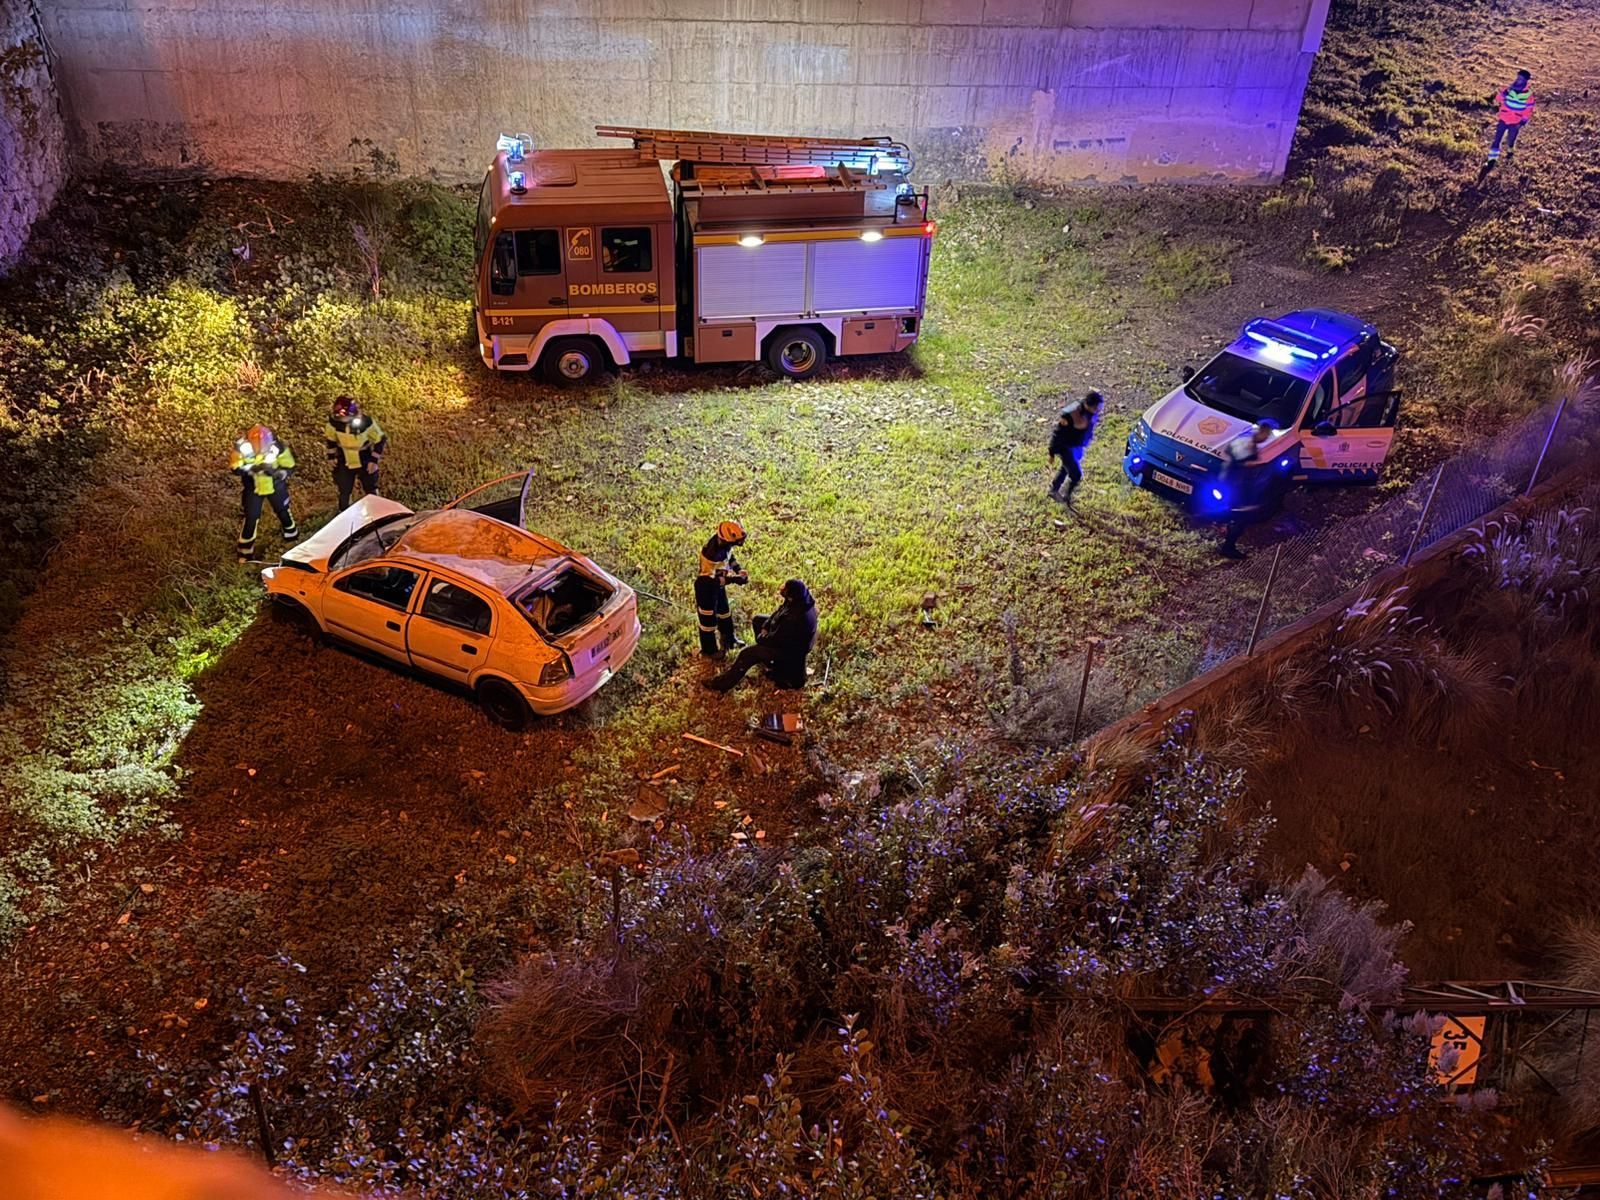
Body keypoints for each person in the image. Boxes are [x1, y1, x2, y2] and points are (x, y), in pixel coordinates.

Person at [703, 578, 818, 692]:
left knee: (747, 654)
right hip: (785, 637)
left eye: (785, 588)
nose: (782, 588)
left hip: (789, 650)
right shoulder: (800, 599)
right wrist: (766, 626)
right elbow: (779, 612)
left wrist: (762, 638)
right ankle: (768, 661)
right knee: (758, 620)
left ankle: (722, 684)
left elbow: (777, 639)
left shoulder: (795, 618)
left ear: (791, 595)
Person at [231, 424, 298, 562]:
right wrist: (252, 469)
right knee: (251, 517)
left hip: (275, 486)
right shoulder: (243, 448)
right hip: (253, 488)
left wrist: (280, 473)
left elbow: (289, 465)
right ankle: (245, 552)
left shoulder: (277, 447)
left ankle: (292, 538)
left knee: (283, 511)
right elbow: (235, 467)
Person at [1218, 423, 1273, 560]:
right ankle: (1228, 547)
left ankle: (1227, 537)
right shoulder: (1247, 444)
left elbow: (1227, 450)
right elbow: (1244, 463)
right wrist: (1263, 465)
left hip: (1231, 481)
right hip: (1236, 484)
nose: (1266, 438)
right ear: (1262, 431)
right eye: (1266, 434)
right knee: (1241, 516)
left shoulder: (1244, 439)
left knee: (1237, 513)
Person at [324, 395, 388, 511]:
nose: (341, 418)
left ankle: (377, 511)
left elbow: (380, 439)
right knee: (344, 490)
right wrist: (331, 457)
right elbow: (331, 440)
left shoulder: (365, 422)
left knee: (370, 487)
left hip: (364, 458)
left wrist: (373, 461)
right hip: (344, 460)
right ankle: (344, 515)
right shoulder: (334, 423)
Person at [694, 520, 748, 656]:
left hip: (718, 586)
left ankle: (730, 640)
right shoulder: (712, 554)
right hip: (706, 588)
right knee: (708, 622)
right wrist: (735, 580)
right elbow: (715, 581)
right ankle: (709, 650)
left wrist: (738, 570)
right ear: (725, 540)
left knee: (724, 613)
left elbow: (730, 558)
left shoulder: (723, 545)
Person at [1048, 390, 1104, 505]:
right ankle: (1066, 497)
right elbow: (1058, 434)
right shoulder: (1071, 414)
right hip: (1066, 447)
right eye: (1096, 409)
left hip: (1077, 446)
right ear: (1089, 405)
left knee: (1065, 468)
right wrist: (1052, 452)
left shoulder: (1090, 413)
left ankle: (1054, 489)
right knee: (1076, 475)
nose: (1098, 412)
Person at [1487, 70, 1536, 164]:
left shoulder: (1529, 95)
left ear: (1526, 81)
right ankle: (1491, 160)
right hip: (1504, 118)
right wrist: (1503, 94)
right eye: (1518, 78)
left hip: (1515, 122)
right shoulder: (1509, 89)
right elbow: (1498, 99)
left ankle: (1510, 150)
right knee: (1497, 139)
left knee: (1511, 139)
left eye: (1521, 79)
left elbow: (1528, 110)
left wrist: (1522, 122)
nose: (1518, 80)